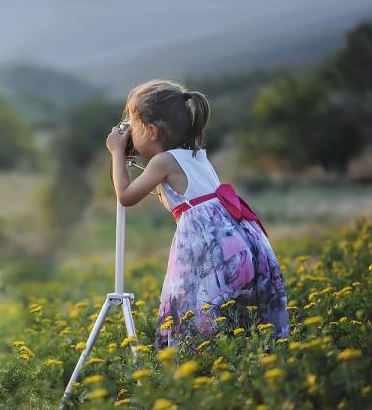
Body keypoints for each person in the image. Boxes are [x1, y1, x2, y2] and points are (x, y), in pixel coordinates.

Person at [105, 79, 288, 349]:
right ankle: (246, 356)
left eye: (133, 122)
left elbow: (126, 196)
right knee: (235, 312)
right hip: (241, 242)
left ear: (152, 130)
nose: (129, 130)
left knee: (194, 307)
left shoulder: (163, 161)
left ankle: (198, 363)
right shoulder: (196, 155)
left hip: (208, 249)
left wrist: (116, 153)